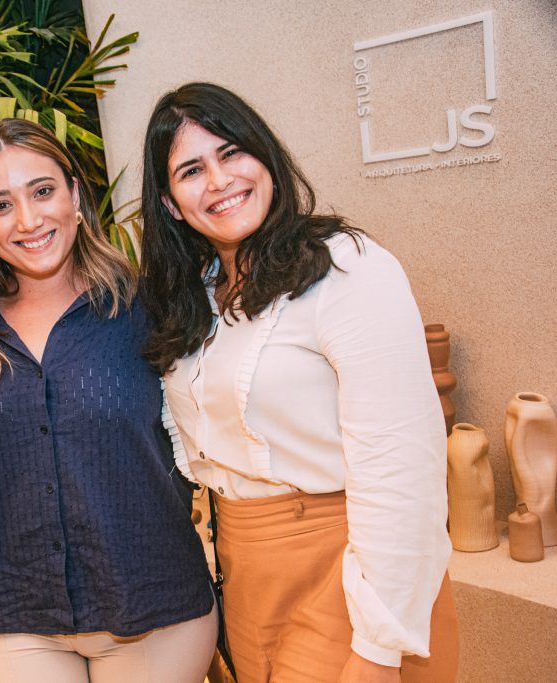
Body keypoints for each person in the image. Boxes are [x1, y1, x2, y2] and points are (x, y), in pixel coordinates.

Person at [138, 82, 459, 683]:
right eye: (191, 169)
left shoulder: (348, 270)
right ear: (171, 203)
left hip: (348, 565)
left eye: (232, 152)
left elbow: (402, 466)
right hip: (243, 574)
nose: (219, 180)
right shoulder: (191, 300)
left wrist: (377, 646)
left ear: (266, 157)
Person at [0, 118, 217, 683]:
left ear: (76, 194)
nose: (30, 220)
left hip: (155, 612)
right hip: (13, 622)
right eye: (0, 205)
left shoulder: (148, 307)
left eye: (43, 191)